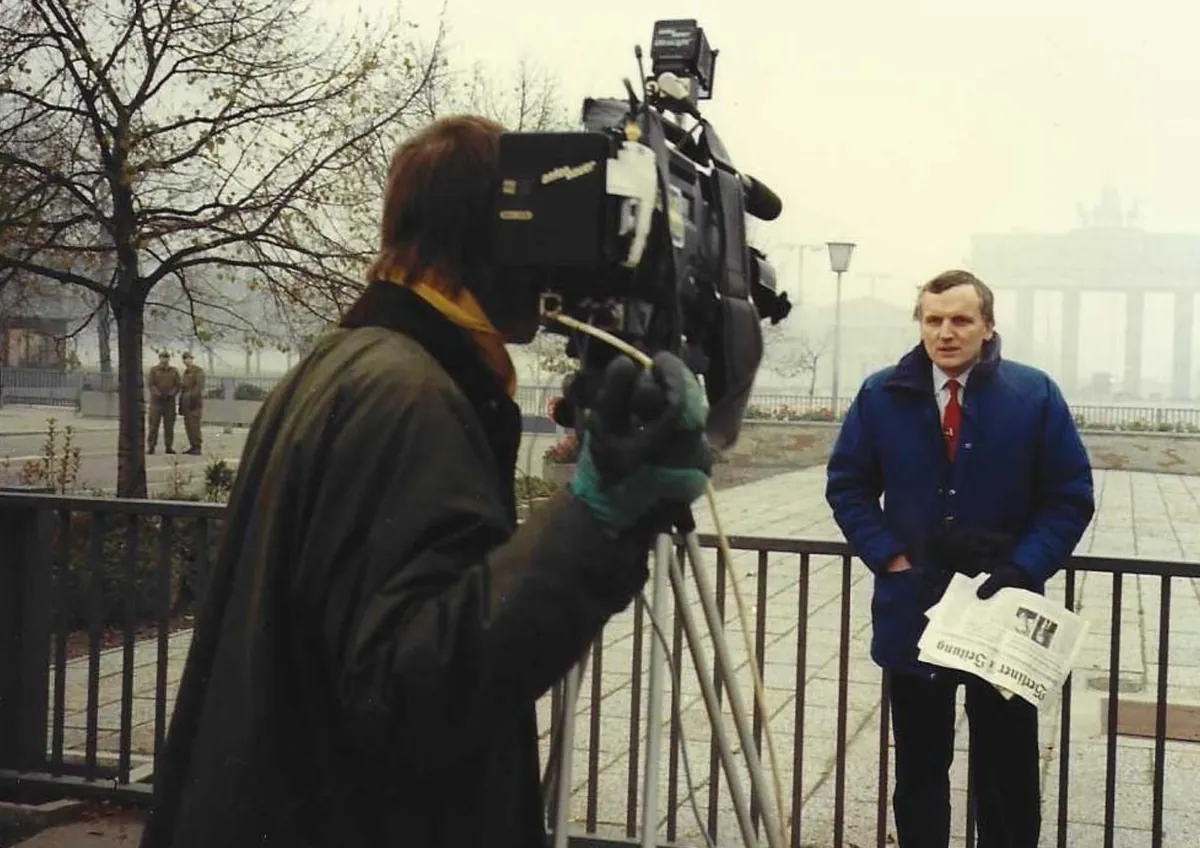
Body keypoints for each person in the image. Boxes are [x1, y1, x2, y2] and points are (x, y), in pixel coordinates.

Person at [137, 114, 713, 848]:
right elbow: (408, 686)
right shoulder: (410, 396)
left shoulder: (347, 360)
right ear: (496, 237)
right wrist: (594, 519)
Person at [825, 270, 1094, 848]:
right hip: (913, 609)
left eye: (961, 319)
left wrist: (1024, 568)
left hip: (1005, 613)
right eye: (933, 319)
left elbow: (1068, 496)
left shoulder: (1034, 395)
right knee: (920, 769)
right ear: (921, 324)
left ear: (988, 326)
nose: (946, 332)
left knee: (1009, 771)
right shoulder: (880, 395)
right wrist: (887, 554)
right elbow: (847, 485)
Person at [146, 351, 181, 454]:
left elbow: (178, 385)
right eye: (162, 357)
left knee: (169, 426)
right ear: (159, 358)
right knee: (153, 426)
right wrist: (158, 393)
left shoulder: (174, 371)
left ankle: (169, 446)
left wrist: (172, 393)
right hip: (156, 402)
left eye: (166, 357)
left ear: (169, 359)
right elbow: (151, 384)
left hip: (169, 402)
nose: (164, 359)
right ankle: (151, 446)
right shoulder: (154, 370)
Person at [178, 352, 205, 455]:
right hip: (186, 404)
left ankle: (197, 447)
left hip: (194, 403)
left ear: (192, 359)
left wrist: (191, 397)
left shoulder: (198, 371)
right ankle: (192, 446)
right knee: (188, 426)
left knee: (194, 426)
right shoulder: (186, 372)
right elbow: (183, 388)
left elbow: (199, 386)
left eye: (188, 358)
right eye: (184, 358)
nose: (186, 360)